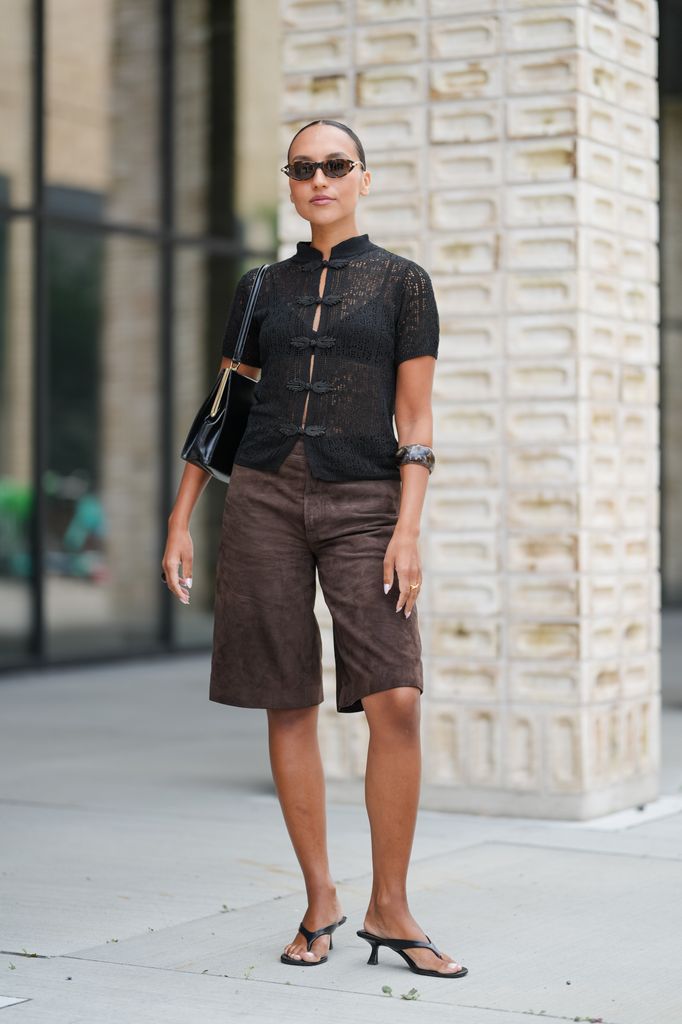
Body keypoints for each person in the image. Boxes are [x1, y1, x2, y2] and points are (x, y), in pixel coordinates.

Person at [162, 119, 467, 980]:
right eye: (304, 168)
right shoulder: (261, 287)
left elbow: (416, 416)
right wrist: (181, 518)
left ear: (364, 178)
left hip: (366, 500)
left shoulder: (403, 283)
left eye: (336, 165)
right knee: (285, 696)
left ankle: (391, 907)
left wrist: (408, 526)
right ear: (291, 184)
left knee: (396, 696)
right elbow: (224, 407)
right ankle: (321, 899)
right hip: (261, 498)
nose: (319, 179)